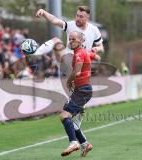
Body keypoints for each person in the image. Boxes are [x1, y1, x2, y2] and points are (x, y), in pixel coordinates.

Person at [34, 6, 104, 156]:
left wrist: (97, 51)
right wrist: (44, 12)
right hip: (70, 66)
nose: (78, 19)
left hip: (78, 76)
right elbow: (55, 21)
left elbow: (101, 47)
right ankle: (83, 143)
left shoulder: (93, 31)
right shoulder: (71, 26)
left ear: (87, 18)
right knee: (56, 41)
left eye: (81, 17)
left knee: (70, 119)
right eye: (77, 15)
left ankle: (77, 143)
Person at [60, 31, 100, 157]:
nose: (70, 41)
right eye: (69, 39)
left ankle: (73, 143)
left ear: (81, 41)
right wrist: (93, 55)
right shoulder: (83, 52)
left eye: (73, 39)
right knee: (75, 124)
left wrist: (68, 81)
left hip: (82, 91)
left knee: (64, 116)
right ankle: (85, 144)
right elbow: (96, 57)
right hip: (83, 90)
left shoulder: (79, 53)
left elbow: (77, 72)